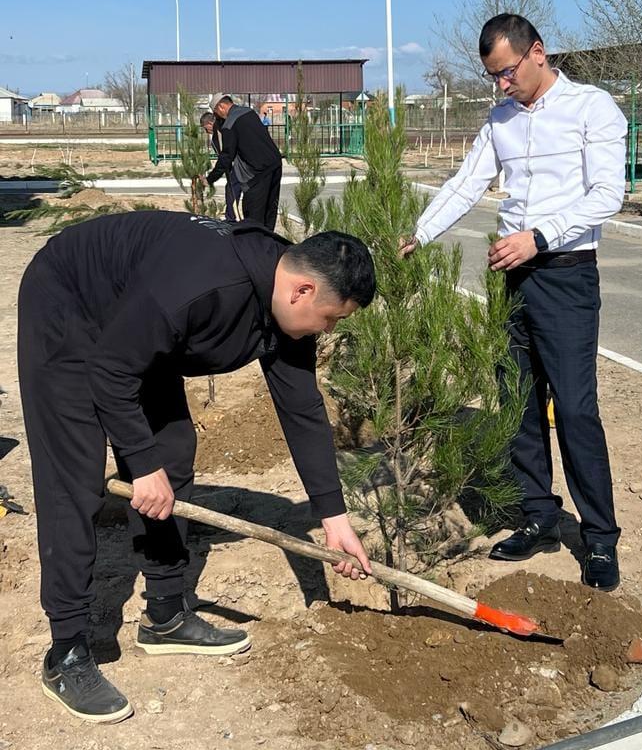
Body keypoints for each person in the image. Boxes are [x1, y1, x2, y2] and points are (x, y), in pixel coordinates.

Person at [18, 211, 376, 723]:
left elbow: (302, 409)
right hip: (73, 304)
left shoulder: (281, 299)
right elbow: (111, 369)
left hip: (140, 323)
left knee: (172, 453)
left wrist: (332, 517)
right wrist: (141, 465)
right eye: (331, 318)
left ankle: (165, 615)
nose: (328, 329)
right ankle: (67, 652)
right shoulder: (205, 284)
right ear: (302, 290)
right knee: (73, 479)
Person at [400, 13, 627, 592]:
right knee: (516, 403)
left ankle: (600, 537)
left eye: (506, 72)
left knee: (574, 408)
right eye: (493, 76)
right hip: (511, 279)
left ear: (537, 53)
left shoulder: (591, 108)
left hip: (566, 275)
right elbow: (465, 183)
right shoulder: (499, 119)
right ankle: (538, 516)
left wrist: (539, 237)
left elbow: (608, 194)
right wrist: (418, 233)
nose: (501, 84)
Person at [207, 93, 283, 231]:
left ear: (221, 107)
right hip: (275, 163)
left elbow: (226, 157)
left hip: (257, 173)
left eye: (217, 114)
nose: (218, 118)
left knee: (253, 217)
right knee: (270, 210)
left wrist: (210, 179)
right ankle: (269, 240)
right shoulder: (249, 112)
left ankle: (255, 242)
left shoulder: (230, 124)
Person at [200, 111, 244, 220]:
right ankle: (232, 217)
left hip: (239, 165)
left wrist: (210, 179)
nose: (206, 132)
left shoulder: (221, 132)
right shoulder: (220, 130)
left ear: (210, 123)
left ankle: (231, 220)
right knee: (232, 189)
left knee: (232, 191)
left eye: (205, 128)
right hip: (236, 165)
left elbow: (224, 159)